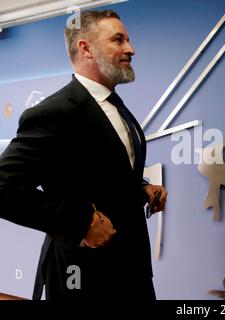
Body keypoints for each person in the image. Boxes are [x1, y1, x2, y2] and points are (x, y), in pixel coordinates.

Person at [0, 10, 167, 300]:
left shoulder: (117, 106)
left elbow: (97, 175)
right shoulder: (54, 112)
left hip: (133, 268)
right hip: (81, 275)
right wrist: (80, 222)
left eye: (128, 39)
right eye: (119, 40)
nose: (131, 48)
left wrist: (142, 189)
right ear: (86, 48)